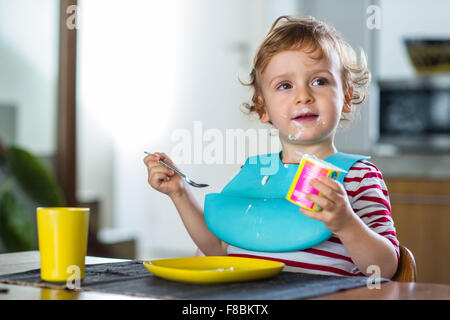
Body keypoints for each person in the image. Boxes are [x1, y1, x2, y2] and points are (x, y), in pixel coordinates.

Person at [144, 15, 399, 278]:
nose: (303, 96)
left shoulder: (359, 176)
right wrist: (180, 193)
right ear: (263, 107)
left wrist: (346, 223)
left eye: (319, 81)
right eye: (285, 85)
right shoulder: (255, 171)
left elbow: (384, 269)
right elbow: (217, 249)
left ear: (345, 98)